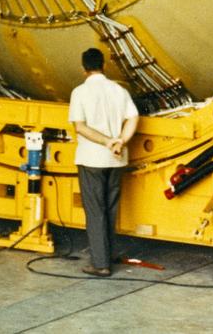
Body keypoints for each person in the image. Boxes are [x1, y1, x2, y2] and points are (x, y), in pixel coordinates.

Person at [68, 47, 138, 277]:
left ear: (83, 69)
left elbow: (80, 127)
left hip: (91, 159)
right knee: (110, 209)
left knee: (95, 211)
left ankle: (101, 264)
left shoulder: (79, 92)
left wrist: (107, 141)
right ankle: (107, 254)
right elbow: (133, 117)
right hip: (116, 160)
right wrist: (120, 142)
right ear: (104, 66)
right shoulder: (119, 90)